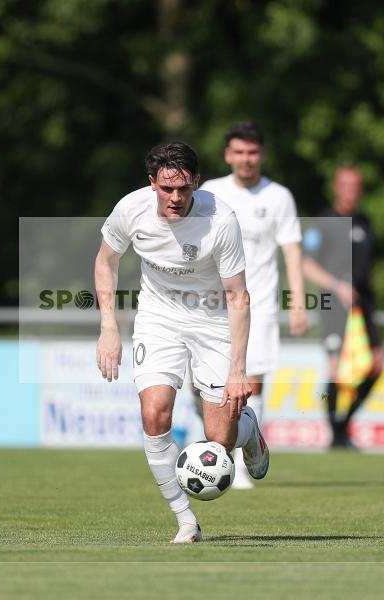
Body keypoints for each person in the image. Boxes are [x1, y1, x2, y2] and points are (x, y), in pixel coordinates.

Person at [94, 141, 269, 544]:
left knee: (219, 438)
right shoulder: (130, 210)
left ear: (197, 183)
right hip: (158, 318)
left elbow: (238, 297)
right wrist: (108, 328)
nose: (176, 198)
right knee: (155, 414)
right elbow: (106, 260)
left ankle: (248, 433)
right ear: (152, 183)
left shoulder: (221, 219)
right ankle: (186, 522)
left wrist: (238, 371)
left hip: (212, 321)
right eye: (167, 189)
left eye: (184, 189)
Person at [197, 122, 306, 487]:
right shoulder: (211, 193)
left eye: (252, 152)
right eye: (239, 152)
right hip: (210, 307)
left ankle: (241, 465)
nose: (246, 159)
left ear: (262, 155)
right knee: (206, 387)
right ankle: (220, 447)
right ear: (228, 155)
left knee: (252, 384)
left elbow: (292, 252)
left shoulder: (279, 197)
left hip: (257, 305)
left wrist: (297, 301)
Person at [302, 166, 383, 448]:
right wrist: (337, 286)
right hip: (333, 305)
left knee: (376, 365)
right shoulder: (323, 221)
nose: (351, 189)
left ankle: (343, 425)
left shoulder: (365, 222)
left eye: (356, 184)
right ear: (336, 187)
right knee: (337, 370)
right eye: (346, 184)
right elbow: (306, 264)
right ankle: (336, 435)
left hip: (363, 307)